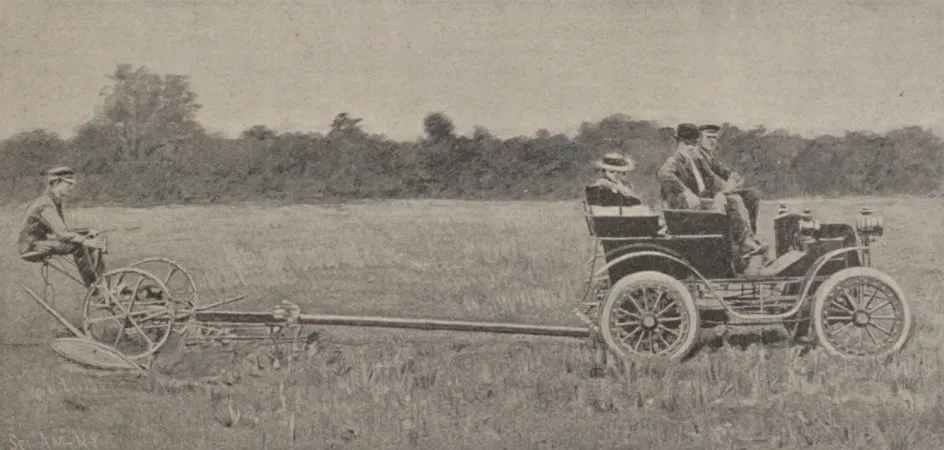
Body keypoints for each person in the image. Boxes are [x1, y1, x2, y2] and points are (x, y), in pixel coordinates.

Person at [657, 124, 767, 259]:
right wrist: (686, 192)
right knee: (732, 201)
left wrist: (723, 192)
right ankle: (745, 245)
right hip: (684, 212)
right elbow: (663, 174)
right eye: (686, 144)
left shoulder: (697, 160)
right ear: (678, 144)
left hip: (701, 206)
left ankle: (747, 243)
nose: (691, 147)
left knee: (737, 198)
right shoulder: (674, 161)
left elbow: (721, 174)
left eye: (693, 143)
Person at [18, 166, 105, 287]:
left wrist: (87, 231)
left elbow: (62, 229)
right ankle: (95, 288)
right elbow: (62, 233)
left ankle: (103, 283)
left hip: (42, 240)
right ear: (57, 182)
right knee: (79, 245)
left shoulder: (54, 200)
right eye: (69, 183)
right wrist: (85, 240)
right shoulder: (45, 204)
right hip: (32, 245)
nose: (72, 187)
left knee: (94, 240)